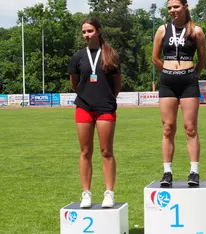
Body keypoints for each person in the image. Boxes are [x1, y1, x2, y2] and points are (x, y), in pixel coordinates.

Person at [68, 18, 121, 208]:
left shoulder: (111, 55)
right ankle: (86, 194)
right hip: (84, 107)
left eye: (89, 31)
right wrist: (86, 96)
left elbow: (117, 84)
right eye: (83, 32)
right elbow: (74, 83)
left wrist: (106, 98)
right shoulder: (78, 57)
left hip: (105, 107)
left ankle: (109, 193)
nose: (86, 35)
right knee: (85, 151)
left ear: (98, 31)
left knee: (106, 151)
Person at [152, 0, 206, 186]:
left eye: (176, 6)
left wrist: (189, 74)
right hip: (168, 82)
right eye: (169, 8)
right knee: (168, 128)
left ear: (185, 6)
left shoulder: (196, 31)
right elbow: (155, 58)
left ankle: (194, 171)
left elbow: (202, 59)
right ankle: (167, 172)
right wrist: (168, 72)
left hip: (189, 81)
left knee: (190, 128)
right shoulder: (162, 30)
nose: (172, 10)